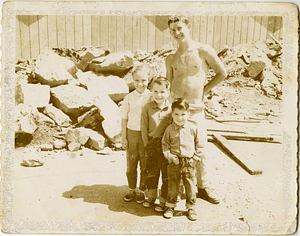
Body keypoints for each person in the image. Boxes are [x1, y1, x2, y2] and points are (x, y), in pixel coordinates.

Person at [164, 15, 228, 204]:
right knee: (176, 149)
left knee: (200, 150)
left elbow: (222, 73)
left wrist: (204, 91)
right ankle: (178, 189)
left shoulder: (203, 51)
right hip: (176, 111)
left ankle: (203, 187)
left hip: (195, 110)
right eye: (172, 30)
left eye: (179, 28)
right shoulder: (171, 57)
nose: (176, 33)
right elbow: (168, 82)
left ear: (188, 26)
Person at [162, 98, 203, 221]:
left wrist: (195, 159)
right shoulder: (169, 129)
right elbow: (165, 144)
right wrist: (169, 156)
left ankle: (191, 208)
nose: (180, 118)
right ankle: (170, 206)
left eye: (183, 114)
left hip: (189, 162)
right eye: (176, 114)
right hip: (174, 162)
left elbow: (200, 145)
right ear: (172, 114)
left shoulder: (193, 128)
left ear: (188, 114)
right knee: (173, 184)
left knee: (190, 185)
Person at [120, 64, 151, 203]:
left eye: (143, 80)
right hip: (132, 133)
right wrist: (123, 137)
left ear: (148, 79)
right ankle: (131, 189)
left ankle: (142, 191)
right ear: (132, 80)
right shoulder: (129, 98)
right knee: (131, 162)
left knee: (145, 163)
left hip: (146, 135)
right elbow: (124, 117)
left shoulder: (152, 96)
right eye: (137, 80)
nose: (140, 83)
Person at [140, 77, 172, 212]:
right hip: (152, 144)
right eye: (156, 91)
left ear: (168, 92)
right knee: (152, 172)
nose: (159, 95)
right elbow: (143, 127)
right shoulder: (147, 108)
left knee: (166, 173)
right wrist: (147, 145)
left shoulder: (171, 109)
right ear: (151, 92)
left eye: (162, 92)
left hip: (166, 145)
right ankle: (151, 197)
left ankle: (163, 200)